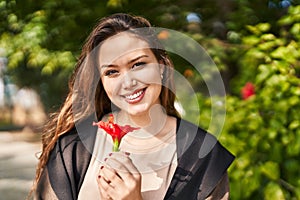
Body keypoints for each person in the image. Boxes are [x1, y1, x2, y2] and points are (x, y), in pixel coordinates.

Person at [31, 13, 234, 200]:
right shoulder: (72, 151)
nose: (128, 83)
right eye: (112, 72)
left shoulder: (204, 156)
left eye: (138, 64)